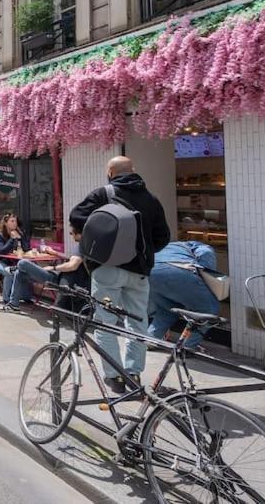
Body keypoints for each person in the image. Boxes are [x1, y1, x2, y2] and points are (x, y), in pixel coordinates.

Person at [70, 155, 170, 395]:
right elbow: (163, 237)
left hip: (107, 270)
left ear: (110, 172)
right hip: (139, 274)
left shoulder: (103, 194)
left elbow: (76, 216)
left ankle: (114, 377)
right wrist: (141, 253)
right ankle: (133, 373)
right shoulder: (151, 199)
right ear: (133, 171)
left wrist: (103, 242)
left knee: (106, 322)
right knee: (137, 324)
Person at [148, 241, 221, 351]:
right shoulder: (202, 247)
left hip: (151, 274)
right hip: (178, 270)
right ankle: (187, 347)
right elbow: (206, 267)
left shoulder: (169, 245)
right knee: (209, 309)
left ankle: (150, 340)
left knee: (166, 311)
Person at [1, 225, 91, 312]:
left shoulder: (81, 247)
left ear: (79, 234)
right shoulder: (84, 246)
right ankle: (14, 305)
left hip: (57, 280)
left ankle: (13, 269)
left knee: (22, 263)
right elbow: (71, 258)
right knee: (19, 273)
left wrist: (53, 267)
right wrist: (54, 252)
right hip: (58, 276)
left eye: (72, 233)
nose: (71, 235)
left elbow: (72, 265)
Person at [0, 213, 30, 301]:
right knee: (10, 271)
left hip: (8, 261)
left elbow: (26, 249)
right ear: (5, 223)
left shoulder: (17, 232)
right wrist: (12, 239)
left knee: (25, 270)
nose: (15, 223)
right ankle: (6, 298)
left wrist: (21, 237)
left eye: (16, 221)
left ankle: (26, 296)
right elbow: (2, 250)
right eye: (12, 221)